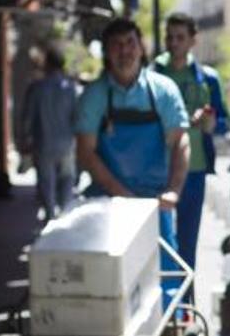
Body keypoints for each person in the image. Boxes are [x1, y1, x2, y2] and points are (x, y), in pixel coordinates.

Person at [74, 18, 190, 309]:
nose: (124, 51)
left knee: (166, 275)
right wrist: (120, 193)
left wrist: (173, 190)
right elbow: (86, 152)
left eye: (130, 43)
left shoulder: (162, 90)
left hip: (155, 200)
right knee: (106, 277)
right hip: (107, 201)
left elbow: (180, 142)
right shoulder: (95, 95)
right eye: (116, 45)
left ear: (141, 48)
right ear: (107, 52)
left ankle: (169, 332)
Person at [153, 12, 230, 279]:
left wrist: (211, 124)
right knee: (159, 243)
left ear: (193, 40)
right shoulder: (154, 74)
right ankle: (166, 306)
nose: (173, 43)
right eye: (169, 37)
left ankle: (187, 309)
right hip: (158, 170)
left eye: (180, 37)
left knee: (187, 244)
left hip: (194, 170)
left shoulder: (207, 78)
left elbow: (223, 121)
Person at [20, 45, 79, 223]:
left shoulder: (37, 88)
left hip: (43, 142)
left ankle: (50, 217)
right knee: (67, 179)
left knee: (47, 182)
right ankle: (65, 215)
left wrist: (25, 138)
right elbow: (76, 116)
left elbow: (27, 118)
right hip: (66, 142)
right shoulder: (70, 88)